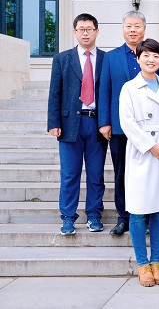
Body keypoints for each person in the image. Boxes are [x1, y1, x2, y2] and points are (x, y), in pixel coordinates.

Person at [119, 39, 159, 287]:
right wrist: (150, 146)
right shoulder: (129, 88)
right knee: (138, 210)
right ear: (138, 59)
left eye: (155, 56)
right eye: (146, 55)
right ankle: (142, 264)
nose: (151, 60)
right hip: (142, 152)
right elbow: (127, 122)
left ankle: (156, 261)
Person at [98, 11, 159, 235]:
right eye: (129, 26)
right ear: (123, 29)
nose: (133, 30)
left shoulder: (155, 56)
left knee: (148, 173)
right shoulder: (111, 57)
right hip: (120, 128)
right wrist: (104, 122)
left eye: (137, 26)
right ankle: (124, 217)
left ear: (144, 29)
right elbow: (104, 90)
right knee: (122, 173)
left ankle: (146, 215)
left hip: (150, 129)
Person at [47, 13, 107, 235]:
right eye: (81, 29)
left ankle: (94, 215)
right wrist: (53, 122)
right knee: (70, 174)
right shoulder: (62, 59)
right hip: (70, 123)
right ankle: (68, 217)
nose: (85, 33)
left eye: (89, 29)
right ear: (74, 32)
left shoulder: (106, 59)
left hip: (97, 123)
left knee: (96, 174)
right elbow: (55, 93)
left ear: (97, 31)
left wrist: (108, 122)